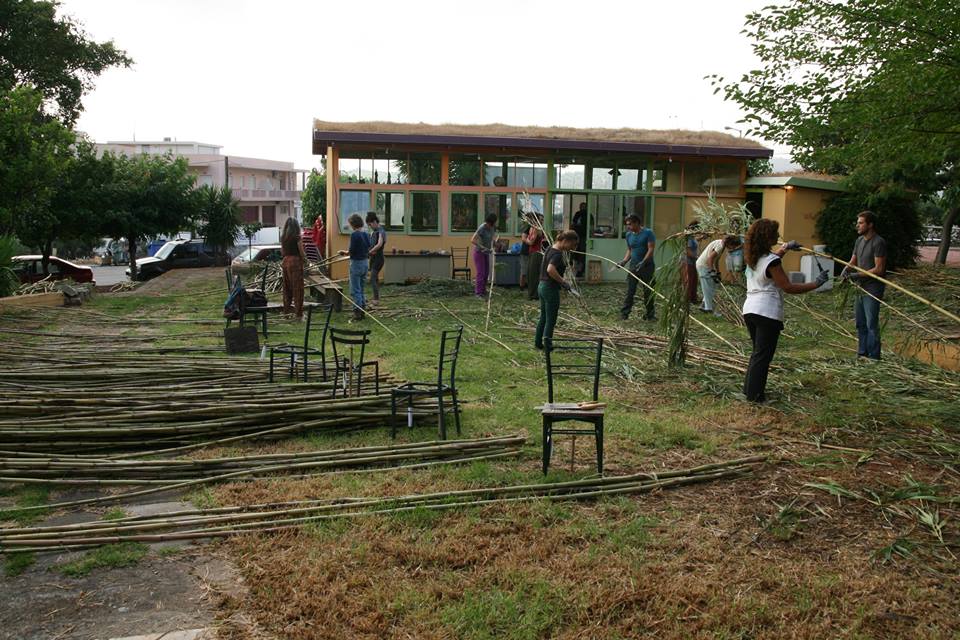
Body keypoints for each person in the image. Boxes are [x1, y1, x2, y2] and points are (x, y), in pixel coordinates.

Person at [742, 219, 829, 403]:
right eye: (775, 233)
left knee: (758, 353)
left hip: (750, 309)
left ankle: (749, 391)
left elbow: (769, 263)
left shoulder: (753, 258)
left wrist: (786, 248)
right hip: (767, 312)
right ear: (767, 237)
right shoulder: (772, 261)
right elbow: (788, 287)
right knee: (763, 356)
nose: (778, 235)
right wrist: (816, 283)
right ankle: (756, 397)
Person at [841, 210, 887, 359]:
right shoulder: (859, 241)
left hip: (872, 288)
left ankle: (874, 357)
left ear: (870, 225)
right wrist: (845, 270)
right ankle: (862, 353)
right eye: (858, 223)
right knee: (860, 323)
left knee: (871, 323)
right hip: (859, 287)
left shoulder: (878, 242)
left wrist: (856, 275)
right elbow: (853, 261)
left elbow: (879, 269)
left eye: (861, 223)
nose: (857, 226)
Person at [535, 230, 579, 350]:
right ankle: (548, 345)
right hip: (550, 288)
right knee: (551, 319)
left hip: (541, 286)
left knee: (544, 317)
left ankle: (538, 343)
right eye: (572, 245)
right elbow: (550, 269)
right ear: (565, 241)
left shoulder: (550, 248)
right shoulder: (558, 254)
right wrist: (563, 282)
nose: (572, 248)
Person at [618, 214, 656, 321]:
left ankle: (650, 315)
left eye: (630, 224)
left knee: (648, 291)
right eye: (627, 224)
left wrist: (643, 262)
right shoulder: (628, 235)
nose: (628, 227)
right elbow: (630, 250)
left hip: (647, 267)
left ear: (637, 223)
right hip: (633, 267)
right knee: (630, 291)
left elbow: (651, 249)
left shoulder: (648, 233)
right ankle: (624, 314)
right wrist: (624, 261)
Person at [697, 235, 742, 315]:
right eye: (733, 246)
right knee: (708, 287)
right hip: (703, 265)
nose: (733, 248)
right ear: (730, 243)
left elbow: (716, 260)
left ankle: (704, 304)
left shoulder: (721, 245)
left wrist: (718, 272)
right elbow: (710, 259)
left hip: (706, 265)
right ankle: (709, 309)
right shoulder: (720, 246)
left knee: (714, 285)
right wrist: (712, 272)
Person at [337, 214, 371, 320]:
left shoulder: (354, 235)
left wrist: (343, 252)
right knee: (361, 288)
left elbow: (351, 251)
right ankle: (363, 310)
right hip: (365, 263)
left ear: (353, 224)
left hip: (356, 264)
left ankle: (357, 312)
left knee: (355, 289)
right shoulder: (366, 234)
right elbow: (369, 247)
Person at [279, 217, 306, 319]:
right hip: (295, 262)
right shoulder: (297, 237)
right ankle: (298, 314)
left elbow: (282, 252)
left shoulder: (283, 238)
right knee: (298, 288)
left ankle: (286, 312)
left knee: (287, 288)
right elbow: (301, 252)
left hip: (285, 261)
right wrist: (305, 260)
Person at [470, 213, 498, 297]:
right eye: (489, 223)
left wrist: (496, 243)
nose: (489, 225)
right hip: (479, 252)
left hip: (486, 252)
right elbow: (472, 240)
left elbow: (492, 239)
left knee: (486, 273)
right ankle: (478, 293)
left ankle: (483, 290)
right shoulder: (482, 227)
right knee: (481, 273)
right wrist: (482, 247)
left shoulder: (492, 228)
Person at [365, 211, 386, 306]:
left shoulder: (381, 231)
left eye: (370, 224)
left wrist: (371, 251)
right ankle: (375, 297)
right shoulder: (373, 232)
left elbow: (379, 244)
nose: (370, 227)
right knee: (375, 278)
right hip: (373, 258)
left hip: (379, 259)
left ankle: (376, 299)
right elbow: (371, 244)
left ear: (374, 222)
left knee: (373, 278)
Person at [524, 213, 546, 301]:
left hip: (537, 253)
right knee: (530, 274)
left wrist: (525, 239)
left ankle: (534, 295)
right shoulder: (532, 228)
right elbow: (530, 241)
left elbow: (531, 242)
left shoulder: (537, 229)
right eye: (541, 219)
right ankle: (532, 293)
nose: (542, 221)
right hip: (532, 252)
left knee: (534, 275)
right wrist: (528, 239)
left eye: (542, 220)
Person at [683, 221, 700, 304]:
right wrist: (698, 257)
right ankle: (687, 299)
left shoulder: (692, 237)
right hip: (688, 262)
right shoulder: (689, 237)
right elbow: (688, 252)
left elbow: (695, 241)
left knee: (694, 281)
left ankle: (693, 298)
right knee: (689, 281)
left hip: (693, 262)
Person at [571, 202, 588, 277]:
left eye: (584, 207)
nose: (583, 208)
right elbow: (573, 224)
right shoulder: (577, 214)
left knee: (582, 253)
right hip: (577, 236)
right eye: (582, 207)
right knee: (576, 252)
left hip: (585, 237)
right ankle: (577, 269)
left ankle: (581, 270)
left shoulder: (588, 215)